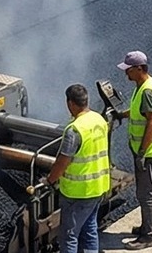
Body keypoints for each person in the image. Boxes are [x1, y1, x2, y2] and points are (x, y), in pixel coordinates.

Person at [112, 51, 152, 250]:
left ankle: (147, 237)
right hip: (151, 149)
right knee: (150, 188)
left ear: (139, 69)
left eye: (128, 70)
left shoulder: (147, 90)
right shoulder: (144, 86)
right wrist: (122, 114)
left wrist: (142, 153)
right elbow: (141, 111)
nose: (126, 74)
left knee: (145, 192)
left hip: (150, 151)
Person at [47, 84, 110, 253]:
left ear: (70, 103)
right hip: (98, 187)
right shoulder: (99, 120)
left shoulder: (74, 130)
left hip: (78, 193)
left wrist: (51, 180)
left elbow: (63, 160)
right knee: (89, 230)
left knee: (69, 236)